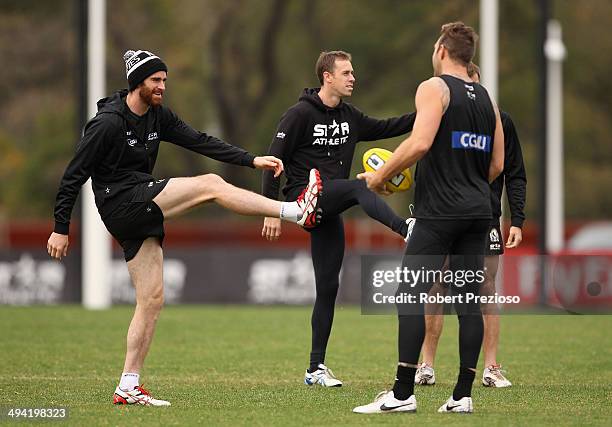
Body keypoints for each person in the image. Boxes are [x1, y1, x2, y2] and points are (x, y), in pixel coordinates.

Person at [47, 49, 323, 406]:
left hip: (138, 208)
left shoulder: (158, 116)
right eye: (155, 80)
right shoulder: (107, 123)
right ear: (137, 83)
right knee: (209, 185)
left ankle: (128, 385)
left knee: (151, 300)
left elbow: (201, 140)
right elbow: (73, 175)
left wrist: (251, 160)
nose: (162, 86)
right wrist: (60, 227)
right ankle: (294, 210)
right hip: (121, 203)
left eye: (164, 80)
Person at [354, 22, 504, 414]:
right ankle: (462, 396)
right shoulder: (487, 99)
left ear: (441, 50)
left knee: (411, 295)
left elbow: (419, 143)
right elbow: (497, 164)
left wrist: (379, 177)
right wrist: (468, 181)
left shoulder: (433, 88)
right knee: (469, 302)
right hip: (479, 212)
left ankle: (402, 394)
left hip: (439, 213)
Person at [261, 50, 416, 387]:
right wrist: (270, 208)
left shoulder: (351, 116)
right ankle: (406, 229)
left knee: (328, 287)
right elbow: (273, 161)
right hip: (303, 197)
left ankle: (314, 369)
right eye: (346, 72)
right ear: (326, 76)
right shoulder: (299, 114)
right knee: (359, 187)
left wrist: (429, 115)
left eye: (353, 72)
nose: (352, 78)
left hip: (327, 206)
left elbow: (390, 126)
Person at [414, 63, 526, 388]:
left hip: (484, 215)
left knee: (485, 286)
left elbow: (512, 171)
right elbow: (425, 159)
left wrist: (517, 218)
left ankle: (491, 367)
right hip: (441, 213)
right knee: (436, 284)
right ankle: (427, 364)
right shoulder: (442, 115)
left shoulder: (499, 120)